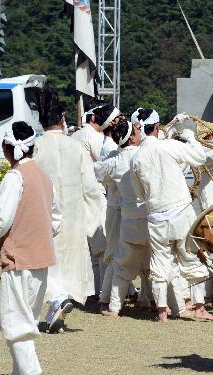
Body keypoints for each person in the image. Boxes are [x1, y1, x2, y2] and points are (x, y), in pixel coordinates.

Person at [0, 121, 62, 375]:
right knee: (20, 325)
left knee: (16, 327)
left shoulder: (16, 176)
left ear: (7, 148)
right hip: (40, 259)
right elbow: (56, 219)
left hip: (18, 262)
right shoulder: (43, 174)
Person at [130, 109, 213, 322]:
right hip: (180, 212)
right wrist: (189, 136)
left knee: (159, 262)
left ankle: (162, 312)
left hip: (156, 216)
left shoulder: (136, 157)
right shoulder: (168, 146)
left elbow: (139, 193)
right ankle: (199, 307)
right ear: (157, 126)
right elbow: (199, 157)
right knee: (192, 257)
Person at [33, 88, 106, 333]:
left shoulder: (36, 147)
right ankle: (59, 307)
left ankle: (56, 301)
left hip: (44, 216)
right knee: (68, 264)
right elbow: (91, 188)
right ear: (63, 120)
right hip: (74, 217)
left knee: (48, 264)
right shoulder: (76, 147)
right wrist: (90, 220)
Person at [98, 119, 153, 316]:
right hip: (148, 217)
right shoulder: (142, 156)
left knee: (121, 263)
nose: (140, 133)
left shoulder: (114, 160)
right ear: (131, 138)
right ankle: (157, 302)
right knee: (152, 260)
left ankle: (113, 306)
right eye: (137, 131)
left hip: (128, 219)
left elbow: (97, 172)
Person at [73, 103, 120, 300]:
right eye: (115, 121)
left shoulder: (77, 135)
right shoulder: (96, 137)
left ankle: (94, 289)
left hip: (79, 193)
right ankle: (101, 291)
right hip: (94, 193)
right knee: (102, 245)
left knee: (92, 247)